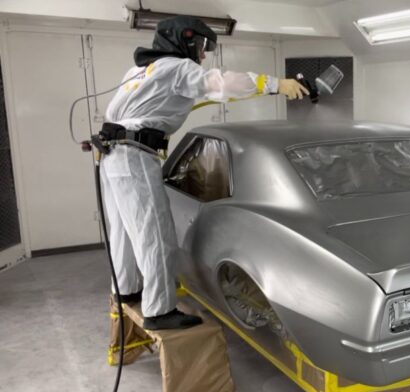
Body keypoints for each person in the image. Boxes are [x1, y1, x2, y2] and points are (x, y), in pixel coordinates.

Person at [101, 16, 308, 330]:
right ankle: (159, 310)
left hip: (111, 153)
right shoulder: (177, 68)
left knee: (124, 231)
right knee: (155, 234)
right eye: (199, 46)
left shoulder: (139, 71)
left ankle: (126, 289)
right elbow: (222, 83)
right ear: (183, 41)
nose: (202, 54)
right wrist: (277, 84)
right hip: (135, 156)